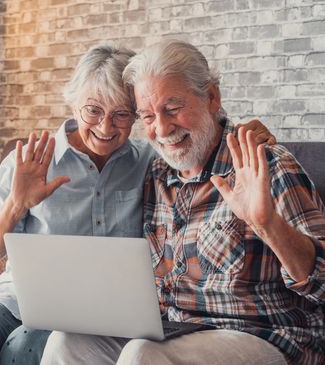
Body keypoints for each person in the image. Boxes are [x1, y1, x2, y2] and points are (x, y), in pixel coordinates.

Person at [0, 44, 272, 365]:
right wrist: (16, 203)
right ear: (72, 103)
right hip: (18, 299)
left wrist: (246, 133)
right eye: (93, 110)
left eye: (121, 114)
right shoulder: (30, 162)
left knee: (21, 348)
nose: (106, 127)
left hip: (103, 309)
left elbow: (197, 141)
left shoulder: (152, 161)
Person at [41, 41, 325, 365]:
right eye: (147, 116)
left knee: (141, 354)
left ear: (212, 97)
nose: (162, 129)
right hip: (175, 330)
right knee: (67, 341)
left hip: (265, 335)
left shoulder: (266, 165)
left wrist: (268, 225)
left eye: (173, 109)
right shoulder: (156, 172)